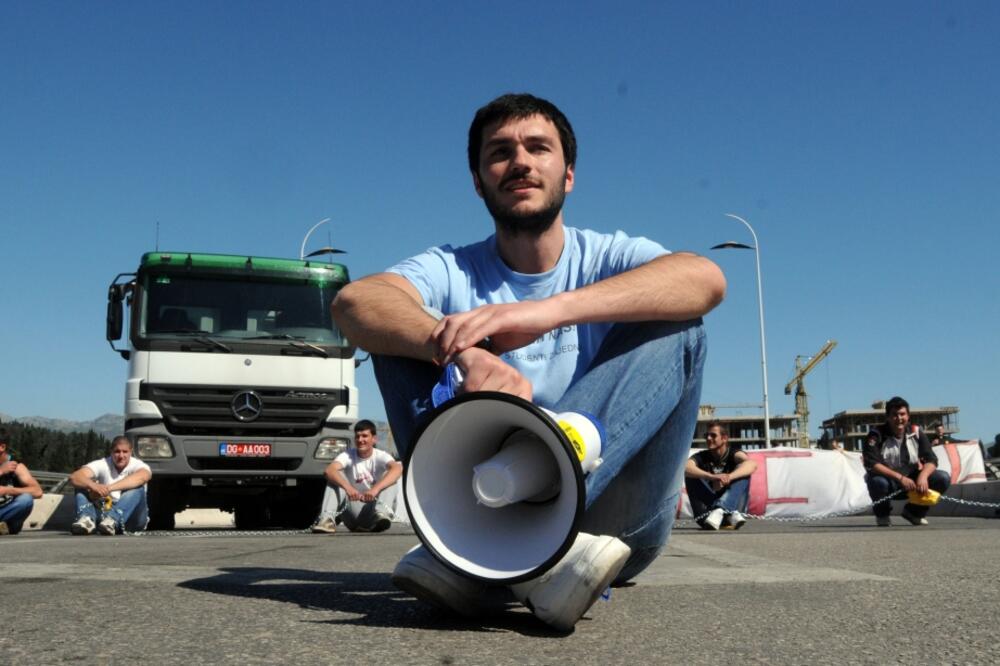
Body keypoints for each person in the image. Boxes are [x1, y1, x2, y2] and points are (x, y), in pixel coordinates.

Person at [331, 93, 725, 631]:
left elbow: (705, 279)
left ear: (567, 175)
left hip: (614, 526)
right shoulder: (451, 267)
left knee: (680, 324)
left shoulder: (606, 254)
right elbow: (354, 302)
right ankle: (517, 562)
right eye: (500, 152)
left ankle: (492, 559)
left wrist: (542, 313)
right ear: (478, 181)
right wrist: (455, 348)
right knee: (397, 330)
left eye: (538, 147)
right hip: (481, 503)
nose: (520, 161)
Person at [863, 396, 950, 527]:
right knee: (877, 482)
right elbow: (872, 463)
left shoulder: (916, 432)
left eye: (902, 414)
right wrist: (900, 478)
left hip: (912, 483)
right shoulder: (876, 435)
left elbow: (931, 459)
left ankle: (914, 512)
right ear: (887, 417)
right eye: (894, 415)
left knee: (942, 478)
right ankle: (882, 515)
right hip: (889, 482)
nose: (899, 418)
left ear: (908, 416)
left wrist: (923, 476)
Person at [311, 419, 402, 534]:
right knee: (335, 475)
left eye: (364, 436)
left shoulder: (381, 455)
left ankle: (381, 515)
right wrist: (348, 488)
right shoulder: (347, 455)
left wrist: (375, 490)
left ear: (374, 439)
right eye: (357, 436)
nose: (360, 440)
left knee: (390, 476)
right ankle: (326, 520)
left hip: (373, 511)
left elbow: (398, 469)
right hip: (351, 510)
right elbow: (329, 471)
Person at [69, 436, 152, 535]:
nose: (121, 456)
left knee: (137, 487)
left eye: (125, 452)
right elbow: (75, 477)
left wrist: (107, 488)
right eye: (117, 451)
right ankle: (87, 520)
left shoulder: (138, 465)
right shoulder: (102, 464)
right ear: (111, 451)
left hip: (133, 519)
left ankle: (113, 520)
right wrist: (93, 486)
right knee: (82, 485)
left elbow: (143, 476)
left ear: (131, 452)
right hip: (105, 513)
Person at [685, 422, 757, 530]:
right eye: (706, 436)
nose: (708, 438)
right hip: (708, 517)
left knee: (744, 473)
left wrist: (728, 477)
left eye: (713, 435)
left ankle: (722, 508)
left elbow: (752, 464)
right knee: (690, 475)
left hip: (733, 514)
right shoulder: (702, 456)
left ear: (724, 438)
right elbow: (686, 467)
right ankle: (719, 510)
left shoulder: (733, 453)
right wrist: (712, 477)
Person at [0, 429, 43, 535]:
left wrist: (7, 490)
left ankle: (5, 525)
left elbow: (38, 492)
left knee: (26, 499)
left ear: (2, 447)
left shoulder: (16, 466)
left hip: (10, 514)